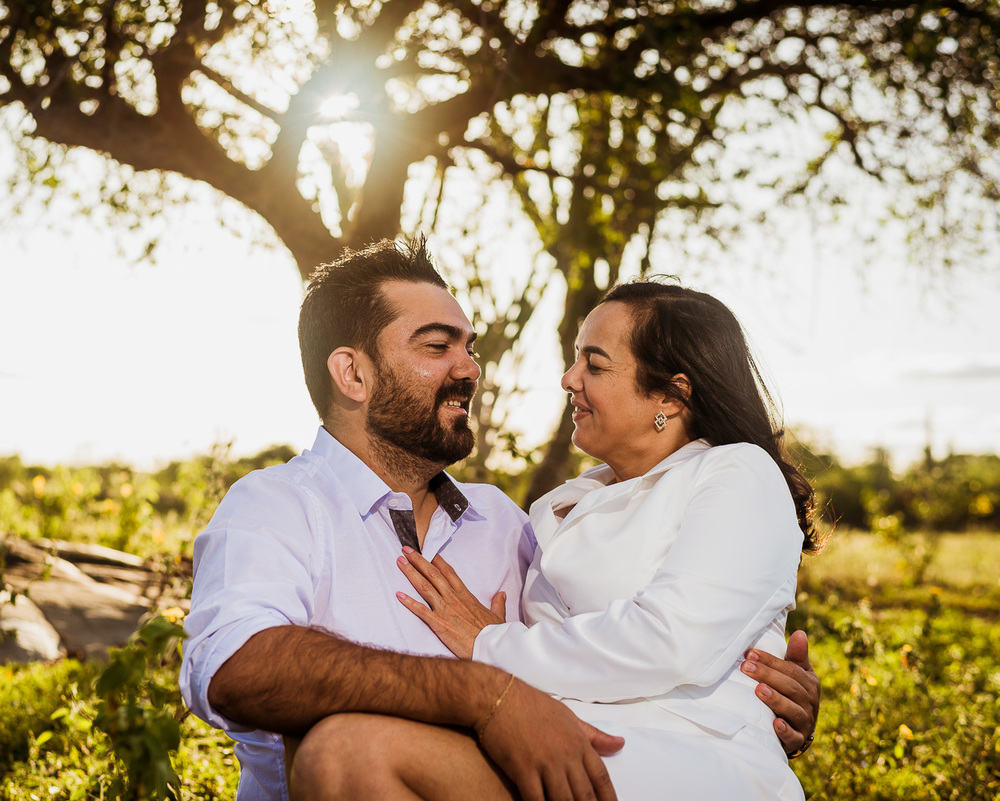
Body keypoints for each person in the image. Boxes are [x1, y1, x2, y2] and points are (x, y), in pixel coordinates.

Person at [179, 240, 820, 801]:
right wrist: (483, 696)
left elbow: (622, 637)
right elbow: (232, 667)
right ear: (352, 373)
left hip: (578, 772)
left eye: (469, 347)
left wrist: (751, 692)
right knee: (345, 754)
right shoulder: (276, 506)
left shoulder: (506, 524)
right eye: (438, 347)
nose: (470, 369)